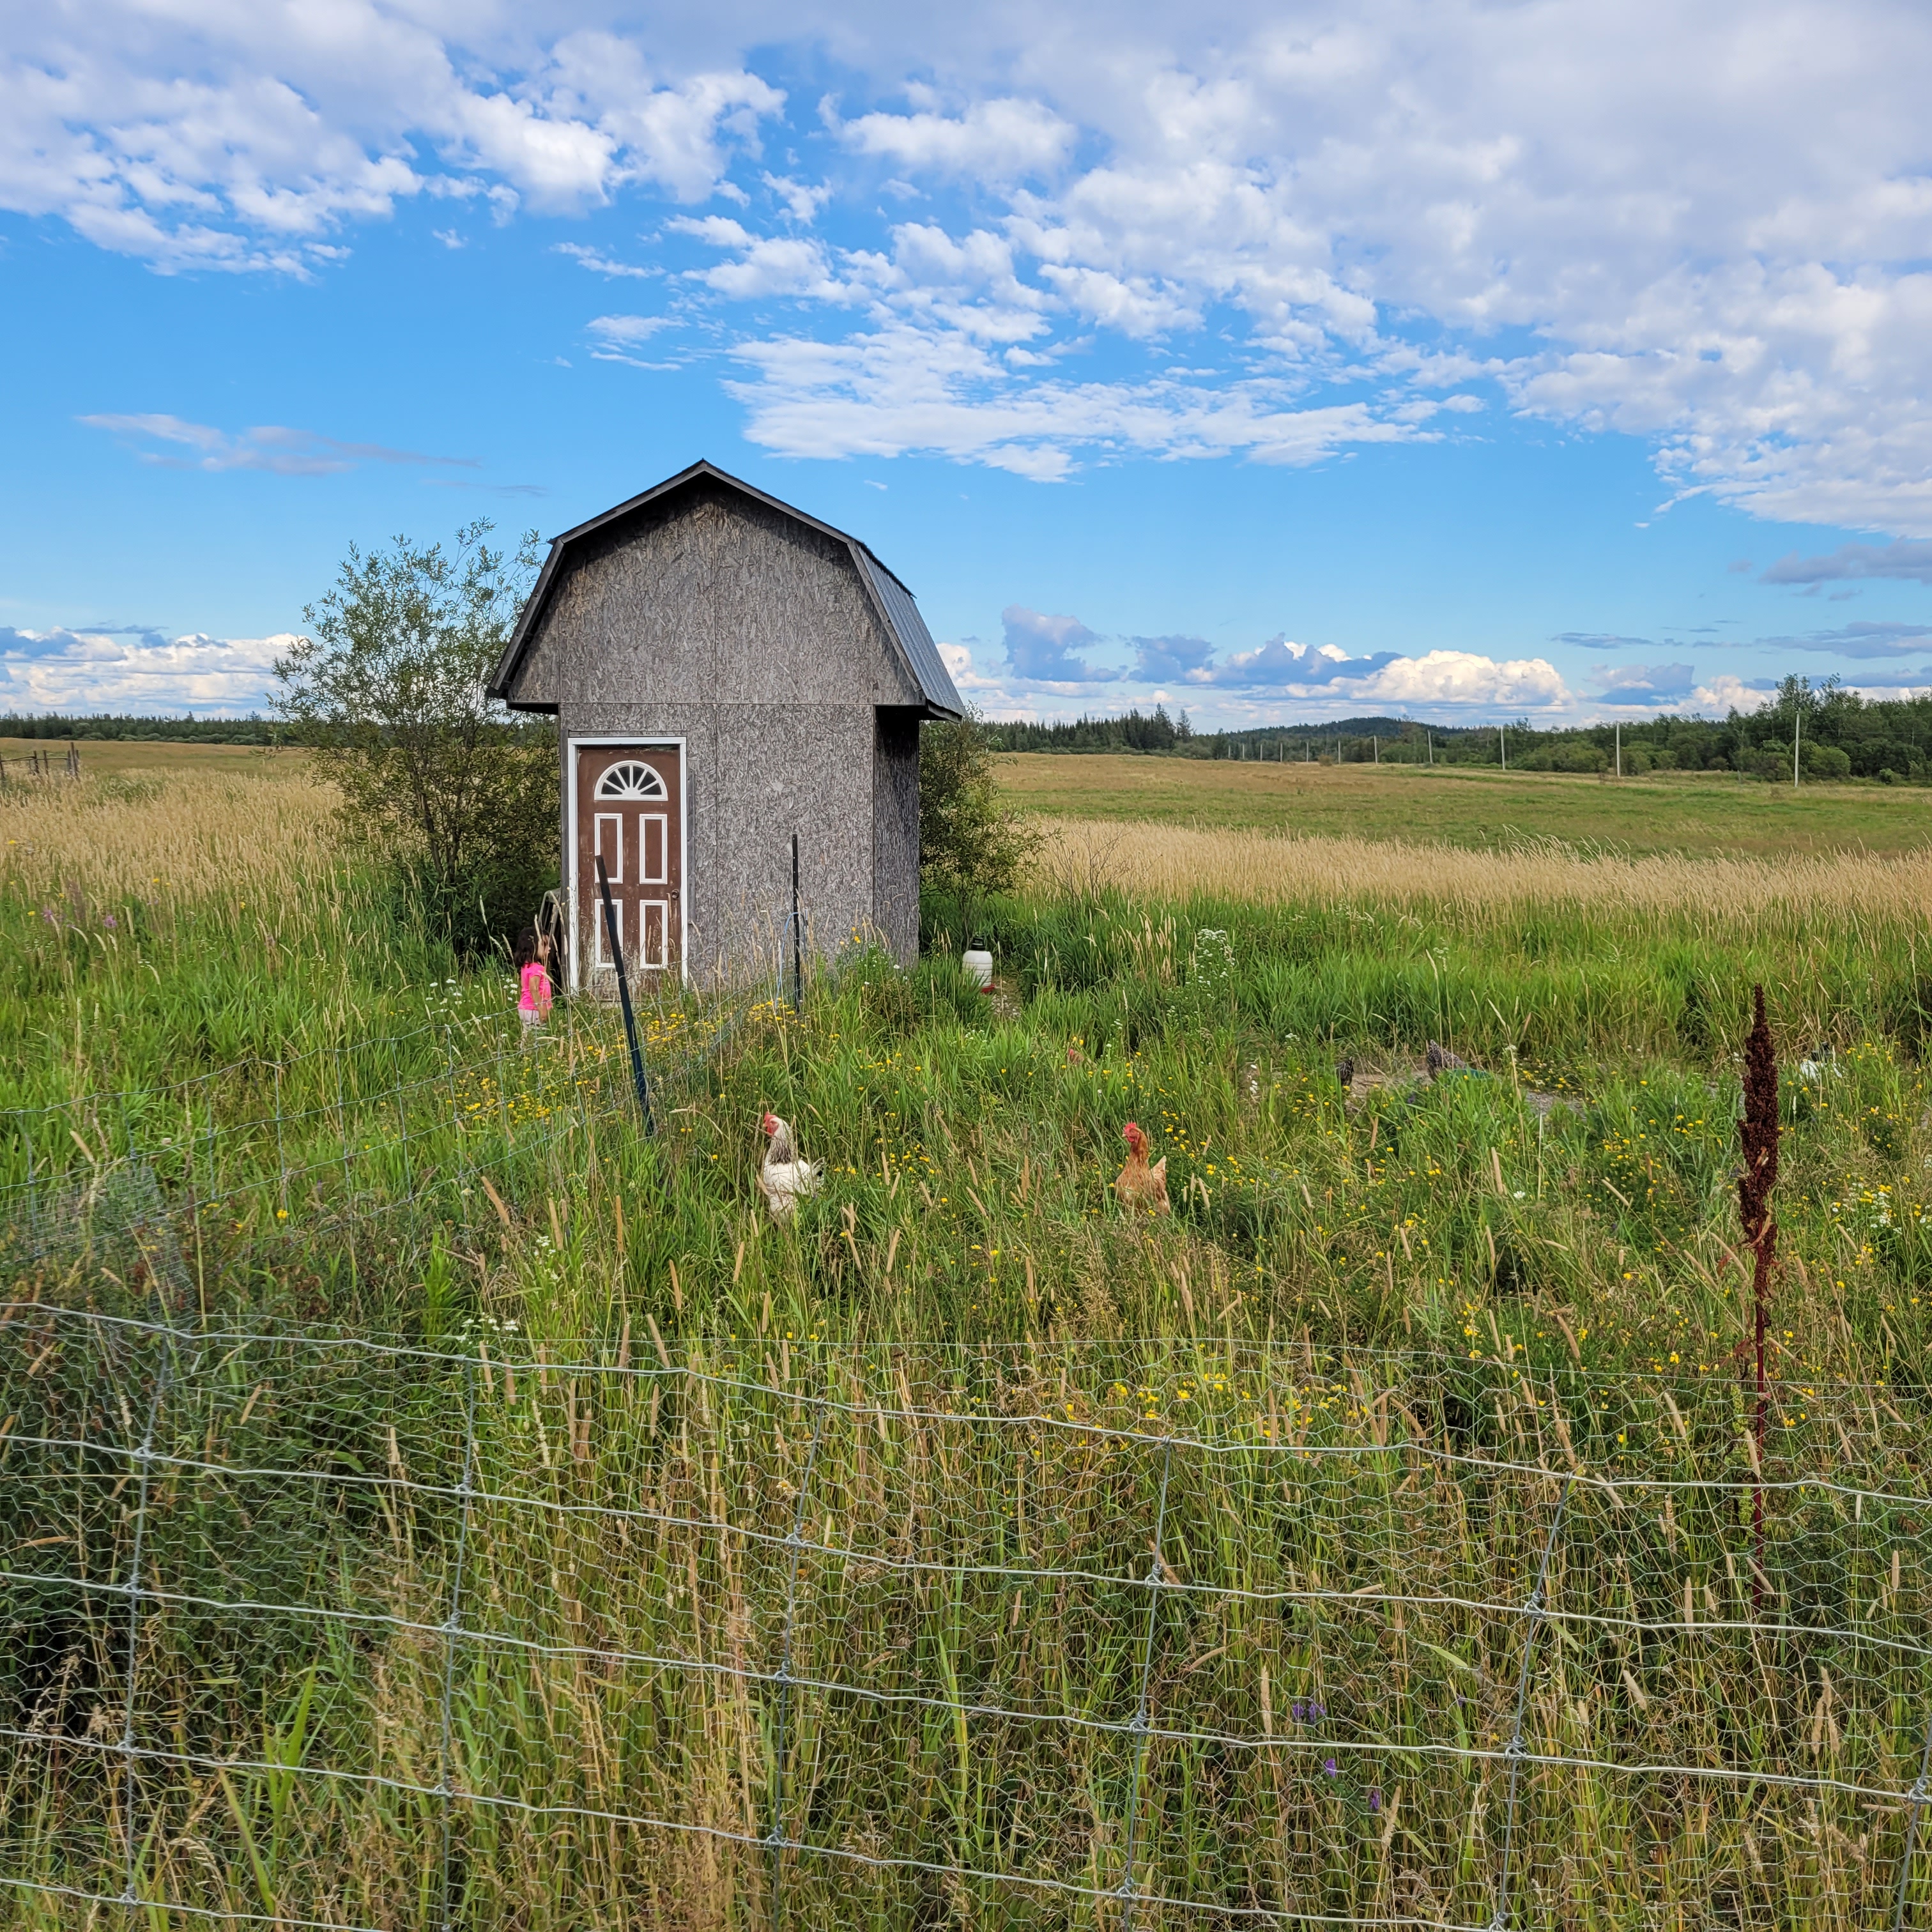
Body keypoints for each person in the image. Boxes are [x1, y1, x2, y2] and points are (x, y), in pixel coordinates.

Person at [514, 926, 553, 1042]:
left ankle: (525, 1055)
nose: (549, 948)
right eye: (545, 945)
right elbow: (534, 989)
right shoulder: (537, 968)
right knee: (538, 1039)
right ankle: (533, 1056)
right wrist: (542, 1009)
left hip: (526, 1008)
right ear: (534, 946)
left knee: (528, 1037)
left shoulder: (527, 966)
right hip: (534, 1010)